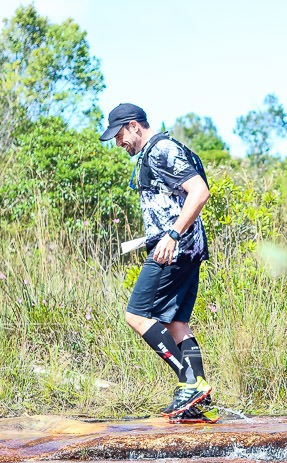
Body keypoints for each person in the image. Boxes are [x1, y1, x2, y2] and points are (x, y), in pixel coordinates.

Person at [99, 103, 218, 423]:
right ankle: (199, 404)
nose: (118, 142)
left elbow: (199, 192)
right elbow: (176, 201)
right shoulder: (162, 150)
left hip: (175, 249)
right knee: (176, 322)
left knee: (136, 315)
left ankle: (189, 384)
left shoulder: (160, 149)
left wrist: (171, 236)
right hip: (185, 248)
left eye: (119, 134)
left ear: (135, 126)